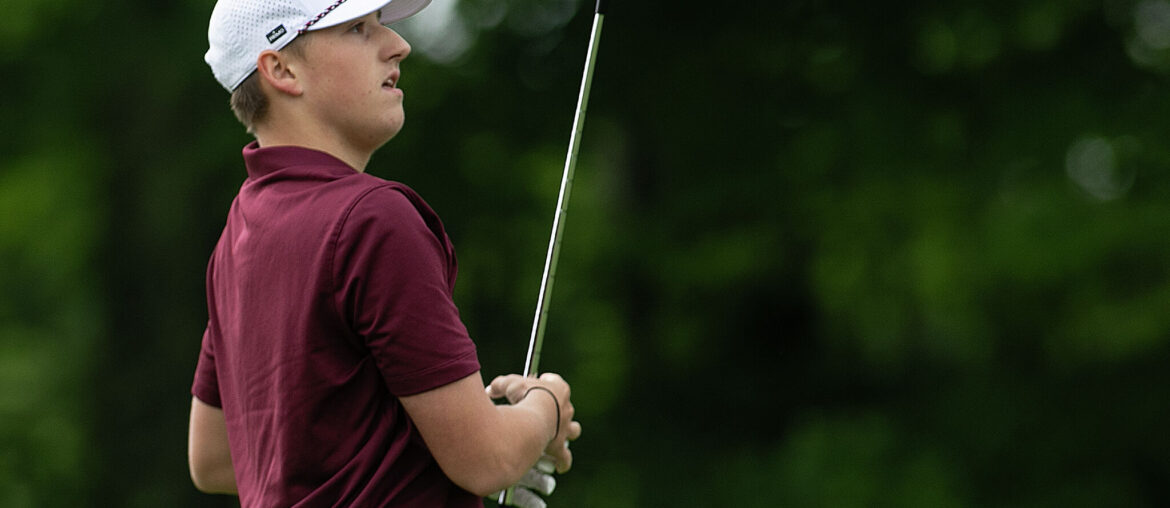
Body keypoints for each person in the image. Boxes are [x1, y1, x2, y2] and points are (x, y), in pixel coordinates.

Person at [187, 0, 582, 506]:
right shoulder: (373, 220)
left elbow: (214, 457)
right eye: (357, 29)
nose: (399, 45)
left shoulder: (238, 236)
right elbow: (488, 460)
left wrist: (435, 433)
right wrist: (545, 406)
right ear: (280, 69)